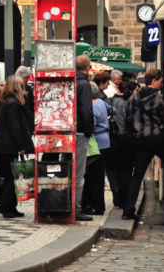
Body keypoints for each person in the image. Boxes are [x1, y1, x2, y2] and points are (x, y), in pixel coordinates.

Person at [121, 68, 164, 221]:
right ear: (154, 81)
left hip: (140, 141)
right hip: (156, 139)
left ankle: (128, 210)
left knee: (137, 176)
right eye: (160, 81)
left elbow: (128, 121)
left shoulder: (134, 98)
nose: (161, 83)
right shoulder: (158, 98)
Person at [0, 76, 34, 219]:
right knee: (13, 178)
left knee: (11, 176)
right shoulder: (13, 103)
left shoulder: (4, 101)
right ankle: (3, 205)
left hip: (1, 145)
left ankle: (11, 207)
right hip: (9, 146)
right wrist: (21, 146)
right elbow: (14, 127)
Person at [82, 82, 113, 215]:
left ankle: (97, 206)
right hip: (106, 141)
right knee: (99, 176)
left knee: (93, 177)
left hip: (96, 144)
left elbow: (90, 125)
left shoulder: (92, 107)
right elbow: (113, 110)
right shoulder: (101, 102)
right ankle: (97, 204)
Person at [109, 79, 136, 208]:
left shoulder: (109, 102)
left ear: (117, 89)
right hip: (128, 140)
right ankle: (123, 196)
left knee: (112, 167)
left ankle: (115, 187)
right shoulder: (130, 103)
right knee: (126, 170)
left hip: (112, 140)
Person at [74, 55, 95, 222]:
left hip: (68, 129)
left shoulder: (71, 81)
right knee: (79, 173)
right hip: (80, 131)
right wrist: (89, 130)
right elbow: (86, 109)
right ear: (88, 68)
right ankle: (77, 208)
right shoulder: (84, 83)